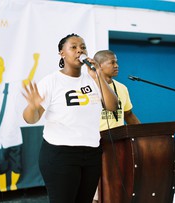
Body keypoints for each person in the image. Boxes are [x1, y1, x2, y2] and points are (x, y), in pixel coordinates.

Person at [22, 33, 118, 203]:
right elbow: (31, 119)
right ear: (62, 53)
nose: (79, 50)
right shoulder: (51, 81)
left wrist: (98, 76)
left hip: (91, 153)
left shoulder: (93, 78)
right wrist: (33, 106)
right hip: (60, 155)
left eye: (82, 47)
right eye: (73, 47)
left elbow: (112, 106)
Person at [0, 54, 39, 192]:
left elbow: (28, 80)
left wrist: (35, 62)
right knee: (0, 168)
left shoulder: (12, 87)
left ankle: (13, 186)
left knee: (17, 167)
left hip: (14, 136)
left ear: (4, 68)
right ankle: (3, 190)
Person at [92, 50, 141, 203]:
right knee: (94, 191)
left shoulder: (122, 88)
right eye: (112, 62)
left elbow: (129, 115)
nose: (116, 66)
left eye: (116, 62)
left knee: (116, 188)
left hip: (118, 145)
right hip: (95, 145)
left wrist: (145, 134)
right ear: (99, 66)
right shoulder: (88, 87)